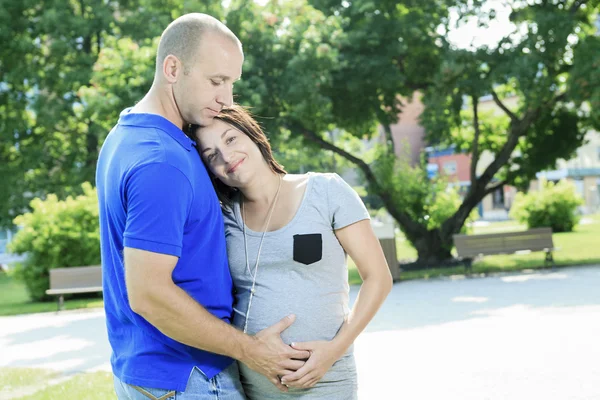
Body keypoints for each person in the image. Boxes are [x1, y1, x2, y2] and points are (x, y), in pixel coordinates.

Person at [96, 14, 309, 400]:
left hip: (153, 373)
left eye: (231, 82)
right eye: (216, 81)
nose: (226, 98)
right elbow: (148, 293)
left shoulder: (125, 135)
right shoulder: (162, 161)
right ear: (173, 68)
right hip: (189, 377)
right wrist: (252, 351)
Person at [191, 105, 394, 399]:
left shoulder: (326, 191)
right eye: (212, 155)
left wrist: (334, 350)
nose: (226, 156)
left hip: (325, 379)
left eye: (231, 139)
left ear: (253, 134)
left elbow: (378, 278)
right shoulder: (223, 218)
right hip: (252, 383)